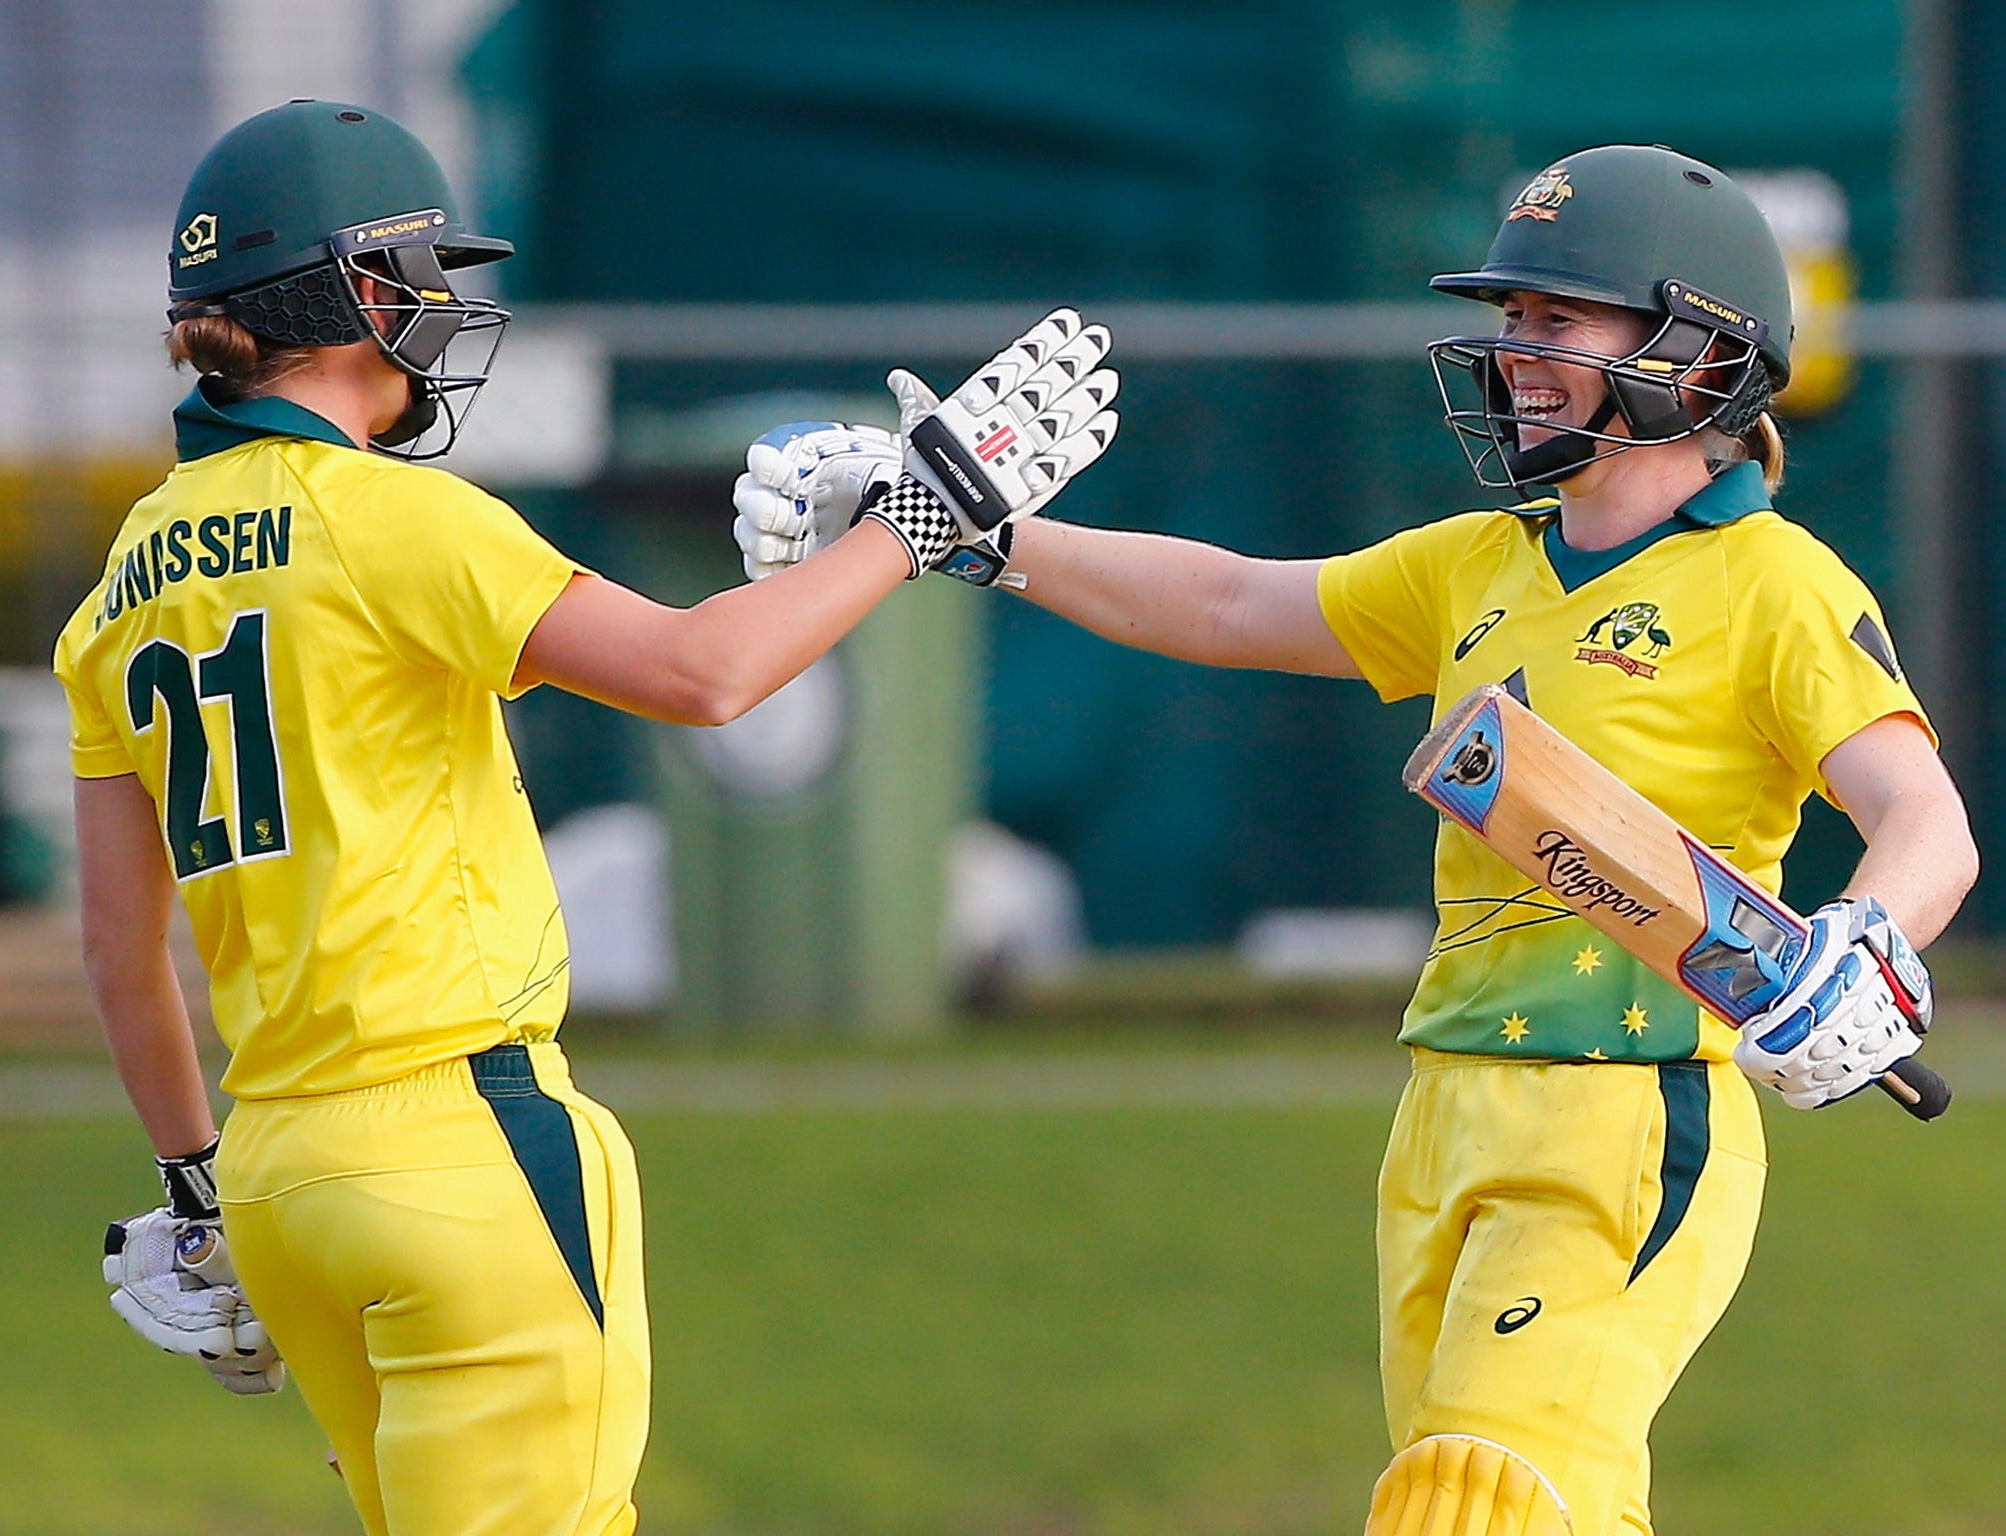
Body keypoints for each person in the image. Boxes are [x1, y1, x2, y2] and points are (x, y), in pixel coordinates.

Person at [735, 145, 1979, 1536]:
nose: (1519, 354)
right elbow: (1220, 604)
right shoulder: (1479, 565)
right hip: (1441, 1117)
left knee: (1475, 1504)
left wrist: (1870, 941)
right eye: (1513, 323)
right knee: (1540, 1507)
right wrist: (972, 532)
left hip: (1628, 1112)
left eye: (1560, 322)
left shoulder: (1775, 584)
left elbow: (1921, 816)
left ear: (1696, 352)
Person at [55, 99, 1117, 1536]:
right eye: (422, 272)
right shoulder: (399, 518)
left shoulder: (122, 579)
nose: (442, 302)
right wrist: (917, 522)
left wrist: (195, 1190)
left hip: (275, 1171)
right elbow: (703, 673)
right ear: (361, 292)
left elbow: (122, 953)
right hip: (458, 1143)